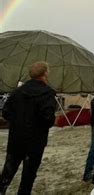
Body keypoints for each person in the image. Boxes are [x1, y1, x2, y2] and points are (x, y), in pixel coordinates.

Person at [0, 61, 56, 195]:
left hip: (16, 139)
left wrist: (18, 121)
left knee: (8, 172)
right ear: (45, 74)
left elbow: (6, 113)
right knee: (28, 176)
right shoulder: (47, 93)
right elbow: (48, 118)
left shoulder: (17, 92)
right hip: (35, 142)